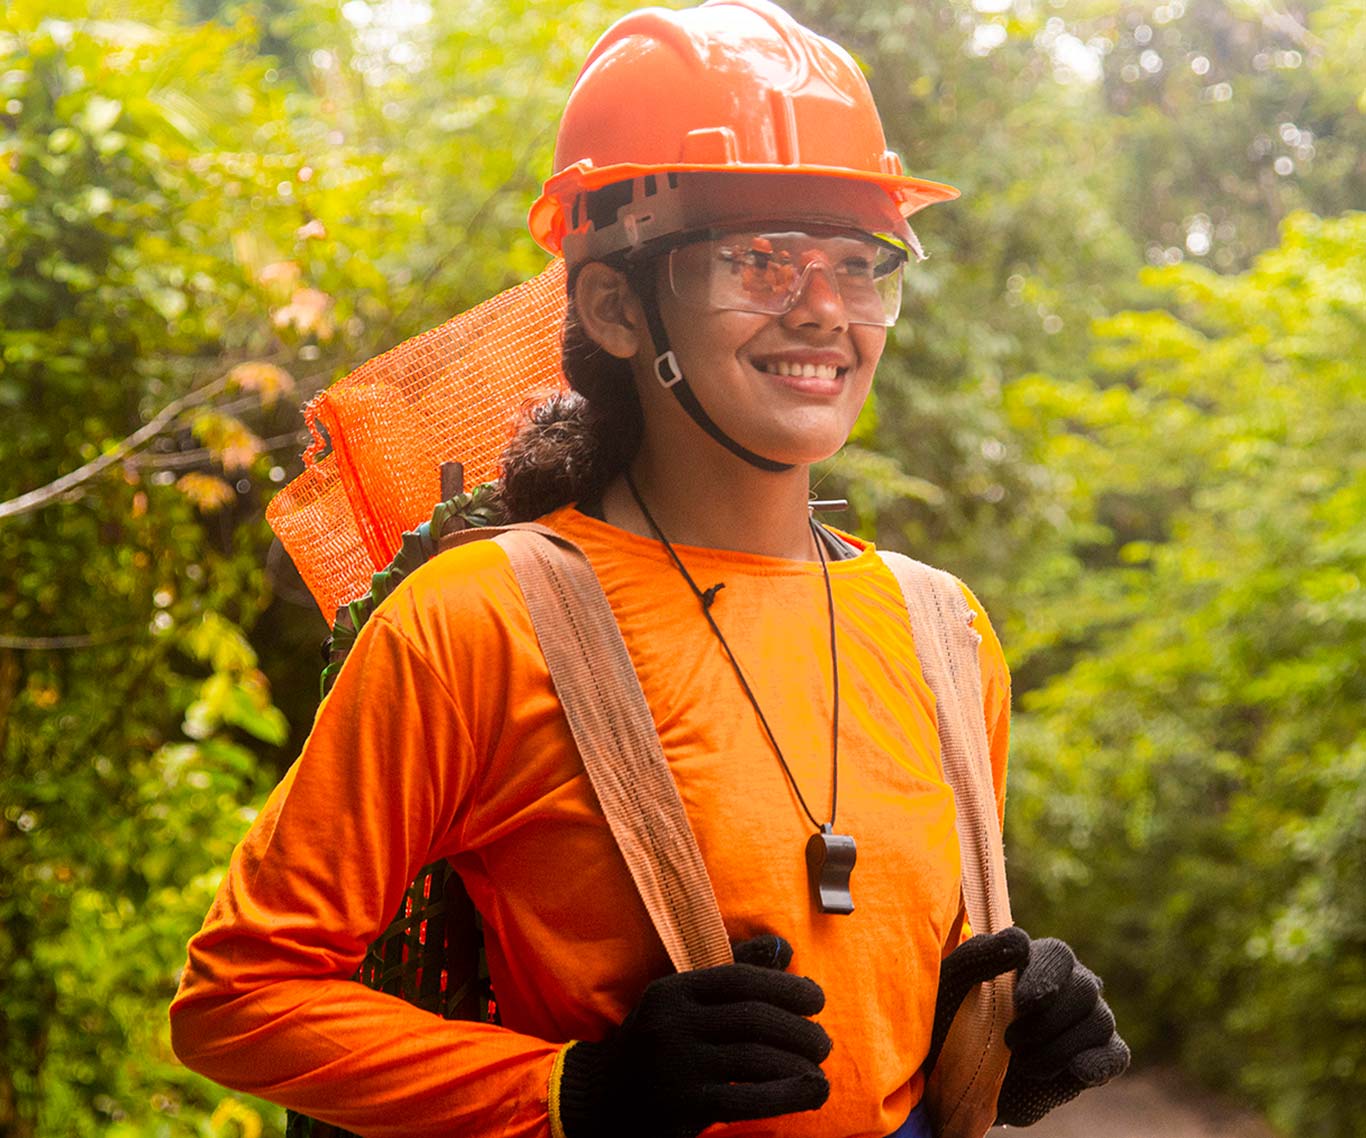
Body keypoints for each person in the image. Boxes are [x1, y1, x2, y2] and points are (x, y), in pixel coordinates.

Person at [169, 2, 1128, 1136]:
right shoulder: (482, 622)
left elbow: (874, 994)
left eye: (857, 264)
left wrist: (990, 1035)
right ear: (616, 305)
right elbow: (236, 999)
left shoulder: (942, 629)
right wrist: (575, 1090)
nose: (824, 309)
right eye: (760, 260)